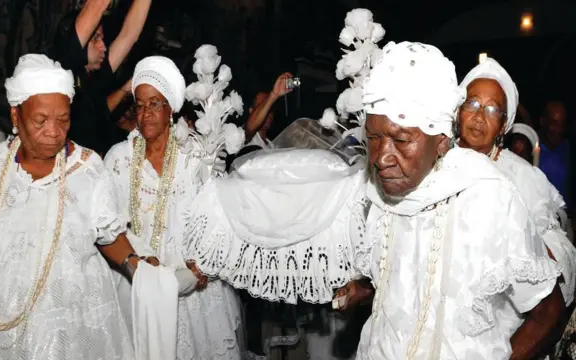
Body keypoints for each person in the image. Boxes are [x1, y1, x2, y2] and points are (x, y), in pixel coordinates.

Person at [185, 40, 566, 359]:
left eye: (400, 140)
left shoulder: (491, 196)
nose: (382, 157)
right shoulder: (379, 189)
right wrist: (364, 290)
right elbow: (397, 276)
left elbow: (548, 311)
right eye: (374, 138)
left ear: (442, 140)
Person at [0, 54, 139, 359]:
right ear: (15, 116)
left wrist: (139, 268)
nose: (54, 132)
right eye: (40, 120)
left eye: (63, 119)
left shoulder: (88, 169)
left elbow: (108, 236)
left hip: (67, 334)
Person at [104, 55, 242, 359]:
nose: (146, 113)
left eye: (155, 104)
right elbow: (107, 225)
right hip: (136, 285)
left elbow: (219, 222)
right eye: (140, 105)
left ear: (171, 108)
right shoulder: (117, 158)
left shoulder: (196, 156)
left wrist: (199, 268)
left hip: (193, 293)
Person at [457, 57, 575, 314]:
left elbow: (556, 251)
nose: (479, 116)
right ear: (458, 110)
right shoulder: (433, 160)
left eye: (492, 109)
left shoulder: (522, 175)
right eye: (472, 103)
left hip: (496, 313)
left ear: (503, 125)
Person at [51, 0, 151, 155]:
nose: (103, 46)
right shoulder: (63, 68)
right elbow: (96, 6)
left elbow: (129, 35)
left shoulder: (91, 81)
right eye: (96, 38)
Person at [244, 73, 294, 149]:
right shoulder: (243, 139)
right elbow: (249, 129)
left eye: (270, 109)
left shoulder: (274, 147)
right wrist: (274, 95)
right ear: (251, 111)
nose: (267, 113)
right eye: (262, 107)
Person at [539, 100, 571, 210]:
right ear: (543, 121)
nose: (559, 130)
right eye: (554, 123)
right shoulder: (530, 150)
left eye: (562, 124)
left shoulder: (568, 150)